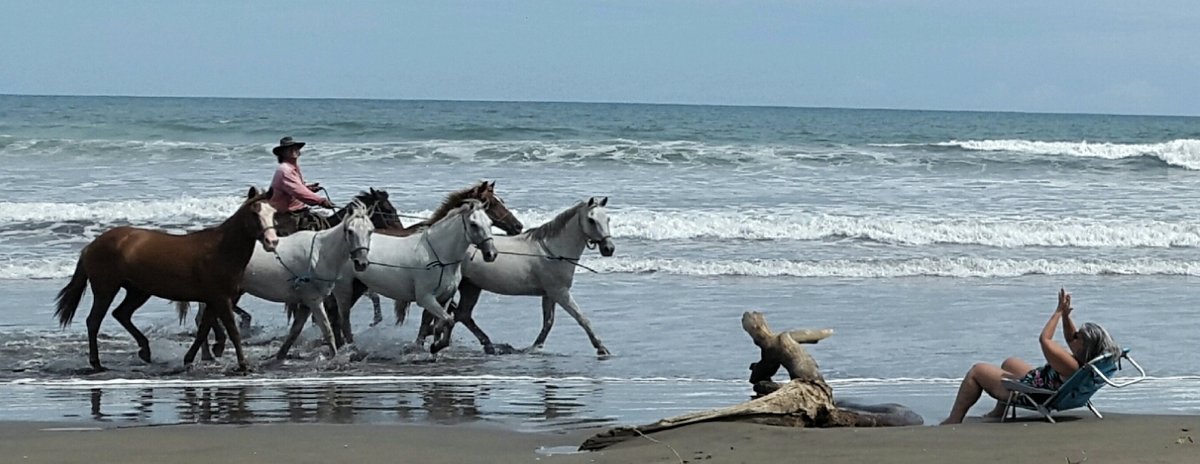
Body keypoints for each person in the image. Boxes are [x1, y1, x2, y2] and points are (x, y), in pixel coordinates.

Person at [941, 288, 1121, 424]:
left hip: (1036, 394)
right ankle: (998, 412)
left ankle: (954, 419)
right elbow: (1069, 337)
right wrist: (1066, 316)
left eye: (1078, 337)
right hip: (1046, 383)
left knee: (977, 371)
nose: (1073, 337)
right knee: (1010, 363)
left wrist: (1058, 312)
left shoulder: (1069, 365)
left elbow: (1045, 339)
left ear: (1085, 347)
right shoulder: (1086, 363)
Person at [268, 136, 335, 235]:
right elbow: (298, 191)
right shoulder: (284, 170)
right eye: (288, 149)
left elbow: (296, 188)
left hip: (297, 212)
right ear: (282, 153)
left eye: (295, 148)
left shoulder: (292, 168)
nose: (293, 150)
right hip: (287, 216)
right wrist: (321, 201)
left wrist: (309, 189)